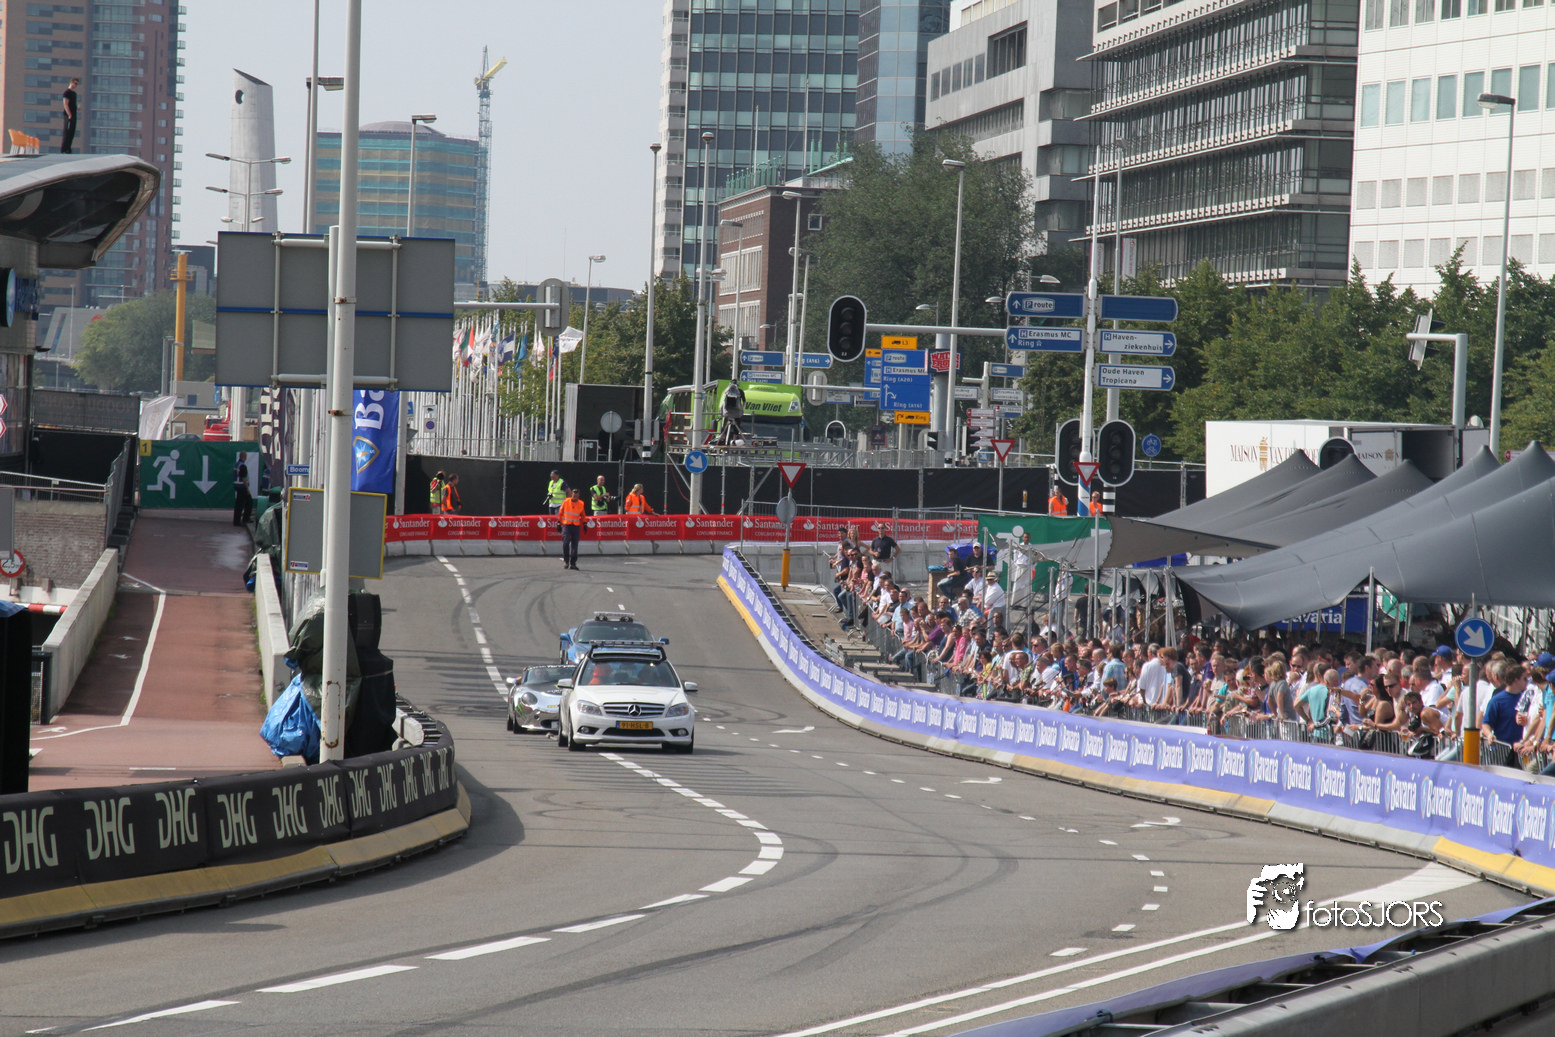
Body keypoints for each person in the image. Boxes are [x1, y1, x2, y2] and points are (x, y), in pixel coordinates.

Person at [557, 486, 586, 570]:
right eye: (573, 495)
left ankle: (573, 563)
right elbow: (560, 512)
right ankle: (566, 561)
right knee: (566, 543)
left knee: (575, 544)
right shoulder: (566, 501)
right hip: (567, 525)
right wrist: (559, 523)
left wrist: (584, 523)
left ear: (578, 496)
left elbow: (583, 514)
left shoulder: (581, 503)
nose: (575, 497)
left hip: (576, 526)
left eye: (576, 496)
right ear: (571, 495)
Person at [232, 451, 253, 526]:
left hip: (237, 486)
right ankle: (245, 519)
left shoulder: (236, 464)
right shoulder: (242, 466)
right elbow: (244, 478)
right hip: (242, 487)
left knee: (239, 504)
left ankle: (236, 521)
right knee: (249, 501)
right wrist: (247, 489)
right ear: (244, 457)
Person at [61, 77, 79, 154]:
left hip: (74, 114)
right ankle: (64, 148)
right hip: (69, 115)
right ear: (71, 82)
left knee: (72, 132)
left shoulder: (74, 94)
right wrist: (69, 114)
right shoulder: (67, 92)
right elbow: (65, 104)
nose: (76, 85)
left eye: (77, 84)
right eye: (75, 83)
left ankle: (68, 148)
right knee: (67, 131)